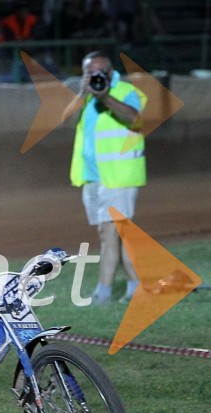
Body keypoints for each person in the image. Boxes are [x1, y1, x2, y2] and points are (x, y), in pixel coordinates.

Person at [69, 51, 146, 304]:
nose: (98, 76)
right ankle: (136, 286)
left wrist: (106, 97)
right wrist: (83, 93)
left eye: (102, 71)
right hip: (93, 177)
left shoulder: (124, 91)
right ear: (84, 75)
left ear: (111, 72)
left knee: (109, 234)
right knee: (115, 234)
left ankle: (103, 292)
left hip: (118, 176)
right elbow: (66, 120)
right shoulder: (86, 96)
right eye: (91, 72)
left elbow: (135, 119)